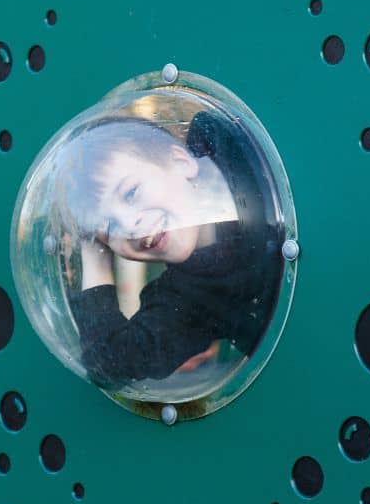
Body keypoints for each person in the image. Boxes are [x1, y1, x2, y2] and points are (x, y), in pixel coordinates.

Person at [53, 110, 282, 389]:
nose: (129, 224)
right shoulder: (189, 297)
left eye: (131, 193)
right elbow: (110, 362)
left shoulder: (226, 140)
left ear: (181, 161)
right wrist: (92, 255)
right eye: (110, 229)